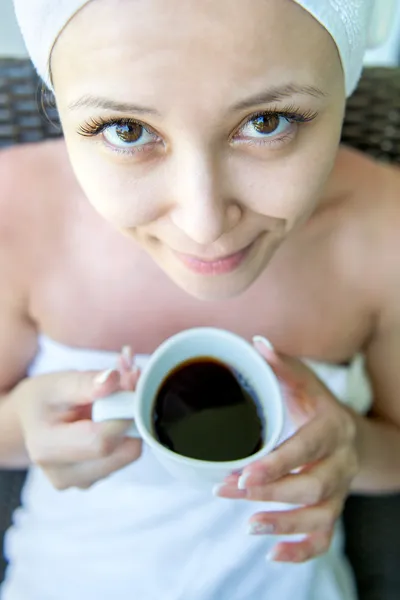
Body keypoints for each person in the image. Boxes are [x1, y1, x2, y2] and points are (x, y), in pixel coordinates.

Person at [0, 0, 399, 598]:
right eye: (127, 130)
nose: (205, 222)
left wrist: (351, 447)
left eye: (268, 122)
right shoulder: (15, 213)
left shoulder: (385, 233)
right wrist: (22, 426)